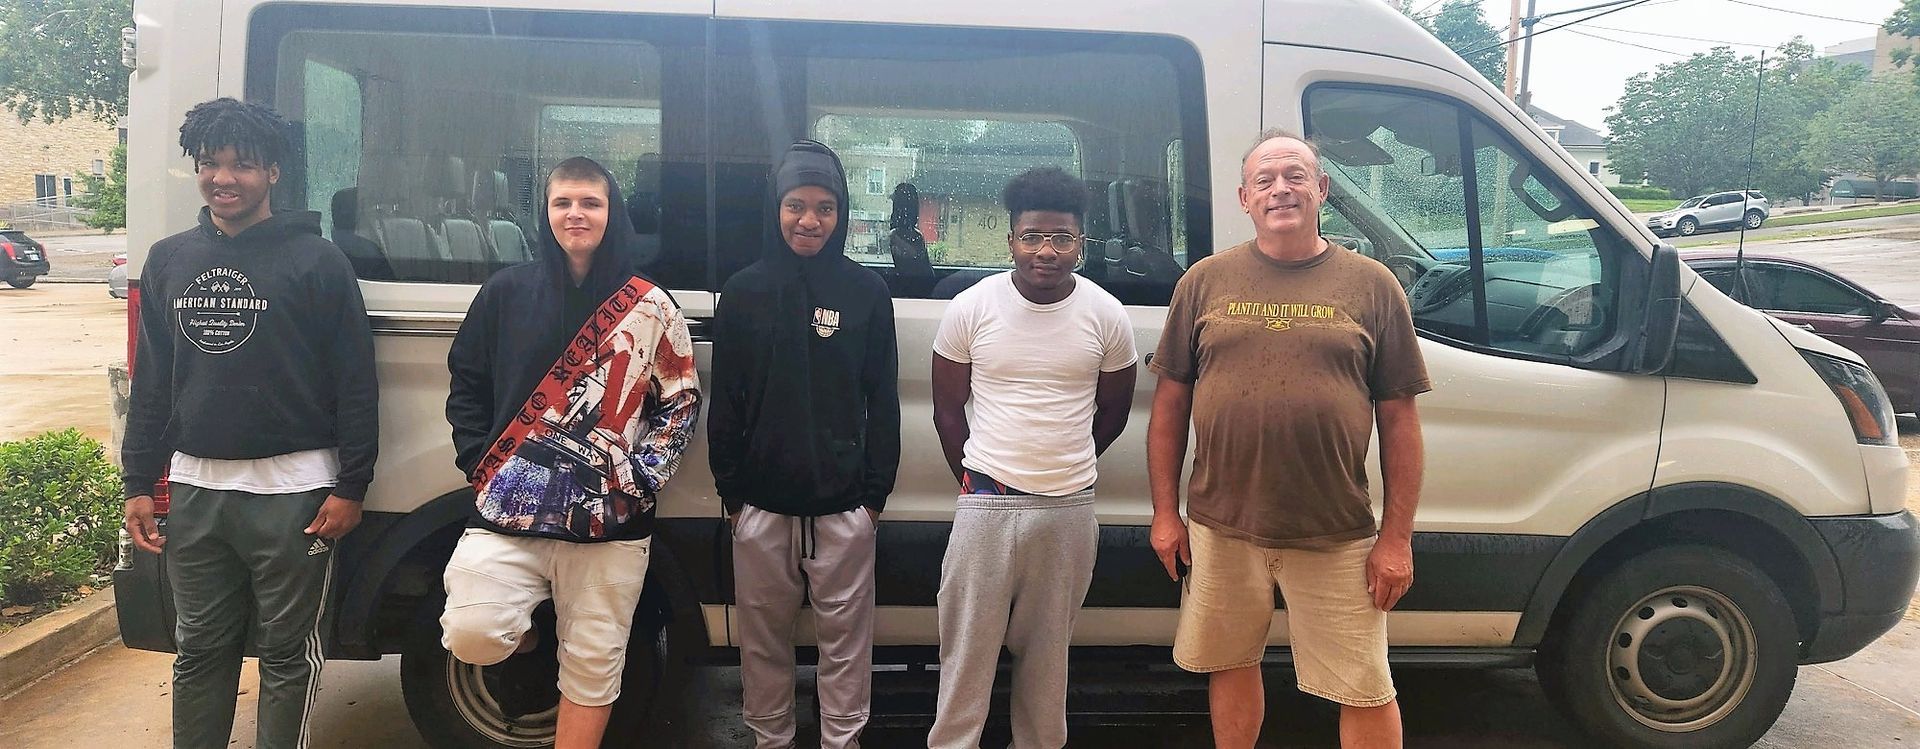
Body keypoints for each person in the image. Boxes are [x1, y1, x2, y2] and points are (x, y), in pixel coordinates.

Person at [1147, 130, 1429, 749]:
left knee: (1364, 685)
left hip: (1336, 529)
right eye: (1266, 180)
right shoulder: (1204, 281)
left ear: (1322, 190)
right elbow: (1170, 405)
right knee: (1230, 661)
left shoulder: (1373, 284)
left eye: (1296, 176)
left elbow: (1400, 420)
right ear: (1245, 197)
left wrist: (1396, 539)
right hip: (1222, 524)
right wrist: (1167, 514)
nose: (1282, 189)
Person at [120, 97, 379, 749]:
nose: (223, 178)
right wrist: (138, 482)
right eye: (210, 163)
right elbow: (152, 381)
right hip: (198, 491)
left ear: (273, 173)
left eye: (241, 164)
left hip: (295, 496)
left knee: (289, 657)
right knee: (199, 651)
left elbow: (355, 382)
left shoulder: (319, 263)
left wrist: (352, 484)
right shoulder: (168, 259)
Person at [440, 156, 701, 748]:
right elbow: (467, 385)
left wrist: (640, 480)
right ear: (546, 212)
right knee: (472, 632)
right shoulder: (505, 292)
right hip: (508, 514)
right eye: (563, 203)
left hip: (610, 523)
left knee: (593, 666)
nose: (575, 215)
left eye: (590, 203)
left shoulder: (652, 305)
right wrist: (482, 467)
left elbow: (680, 401)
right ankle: (535, 630)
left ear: (613, 214)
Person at [926, 167, 1139, 749]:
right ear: (1012, 239)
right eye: (1032, 237)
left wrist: (1063, 464)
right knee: (965, 659)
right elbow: (948, 411)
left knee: (1048, 667)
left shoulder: (1107, 315)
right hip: (986, 508)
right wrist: (975, 481)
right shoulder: (970, 309)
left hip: (1068, 511)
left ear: (1082, 243)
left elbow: (1114, 412)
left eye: (1062, 238)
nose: (1046, 251)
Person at [709, 139, 901, 749]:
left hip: (844, 509)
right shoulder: (742, 293)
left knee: (846, 649)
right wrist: (733, 495)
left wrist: (872, 499)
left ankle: (842, 741)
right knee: (763, 645)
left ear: (841, 214)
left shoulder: (867, 293)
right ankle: (772, 740)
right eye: (796, 205)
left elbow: (885, 402)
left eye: (824, 208)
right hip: (761, 509)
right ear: (776, 208)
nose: (809, 220)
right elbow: (728, 402)